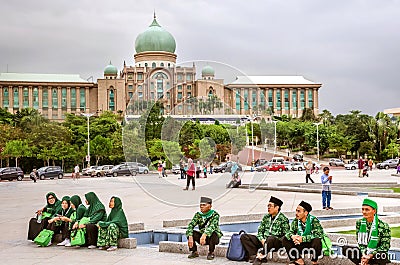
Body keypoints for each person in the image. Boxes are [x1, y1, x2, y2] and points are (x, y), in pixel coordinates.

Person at [240, 196, 289, 264]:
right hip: (263, 241)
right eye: (268, 206)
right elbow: (260, 231)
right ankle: (254, 256)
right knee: (244, 236)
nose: (268, 208)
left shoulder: (283, 219)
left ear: (277, 207)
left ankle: (261, 256)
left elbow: (286, 236)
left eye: (270, 206)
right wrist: (261, 239)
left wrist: (272, 240)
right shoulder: (266, 217)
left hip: (274, 243)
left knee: (271, 238)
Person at [342, 198, 391, 265]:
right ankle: (363, 262)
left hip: (376, 255)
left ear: (374, 211)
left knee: (382, 255)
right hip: (364, 253)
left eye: (367, 209)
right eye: (363, 209)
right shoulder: (359, 223)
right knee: (346, 249)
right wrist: (364, 254)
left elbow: (385, 246)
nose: (364, 212)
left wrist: (370, 255)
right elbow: (360, 243)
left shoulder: (383, 226)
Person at [282, 201, 324, 265]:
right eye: (296, 211)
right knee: (285, 239)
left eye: (299, 211)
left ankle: (314, 261)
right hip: (299, 244)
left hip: (310, 246)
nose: (296, 213)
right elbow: (289, 232)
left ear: (306, 213)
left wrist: (303, 239)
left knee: (317, 240)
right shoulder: (296, 221)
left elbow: (319, 234)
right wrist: (293, 236)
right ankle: (298, 260)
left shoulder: (313, 220)